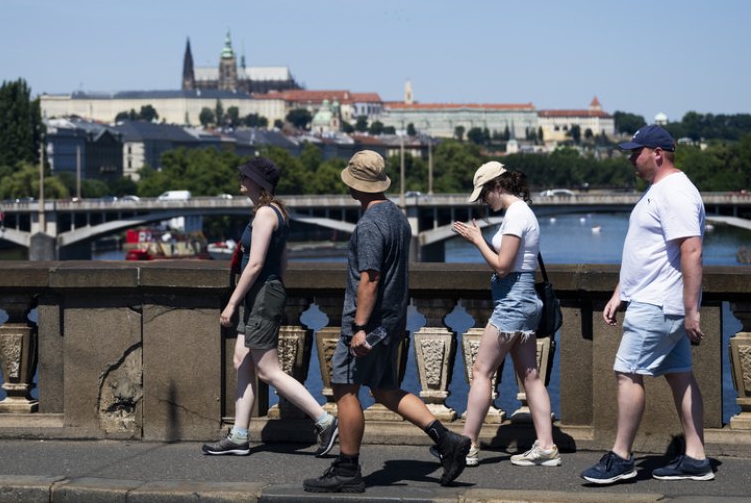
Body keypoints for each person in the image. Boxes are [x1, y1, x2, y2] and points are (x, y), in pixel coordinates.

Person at [303, 150, 471, 494]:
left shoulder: (368, 224)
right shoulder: (397, 215)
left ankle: (347, 468)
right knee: (384, 389)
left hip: (369, 324)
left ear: (357, 185)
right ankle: (447, 440)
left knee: (345, 389)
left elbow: (370, 278)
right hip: (393, 319)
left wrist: (359, 327)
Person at [580, 125, 714, 484]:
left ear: (657, 153)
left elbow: (692, 250)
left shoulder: (675, 192)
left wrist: (690, 310)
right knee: (680, 376)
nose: (629, 159)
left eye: (635, 152)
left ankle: (621, 457)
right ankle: (696, 457)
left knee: (627, 372)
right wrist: (619, 292)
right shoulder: (661, 191)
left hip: (658, 305)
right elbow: (647, 253)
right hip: (654, 300)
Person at [202, 156, 339, 458]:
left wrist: (232, 303)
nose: (241, 178)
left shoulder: (265, 214)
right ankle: (239, 435)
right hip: (262, 292)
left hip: (260, 293)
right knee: (242, 359)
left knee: (267, 369)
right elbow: (283, 262)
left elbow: (256, 264)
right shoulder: (276, 212)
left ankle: (325, 421)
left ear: (257, 183)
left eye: (245, 176)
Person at [449, 161, 561, 468]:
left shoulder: (516, 215)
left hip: (513, 301)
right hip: (524, 300)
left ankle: (467, 446)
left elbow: (503, 265)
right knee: (531, 376)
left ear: (497, 187)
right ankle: (547, 446)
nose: (484, 201)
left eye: (484, 194)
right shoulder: (523, 212)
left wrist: (477, 241)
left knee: (481, 371)